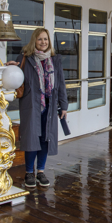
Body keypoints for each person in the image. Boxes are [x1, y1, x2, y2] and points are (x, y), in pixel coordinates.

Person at [7, 28, 68, 188]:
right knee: (31, 138)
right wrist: (10, 68)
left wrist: (64, 106)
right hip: (31, 105)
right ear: (34, 40)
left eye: (46, 39)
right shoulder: (25, 58)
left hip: (50, 106)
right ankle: (29, 173)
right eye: (40, 39)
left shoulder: (55, 60)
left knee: (45, 139)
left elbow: (61, 84)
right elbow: (14, 77)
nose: (43, 42)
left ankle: (40, 171)